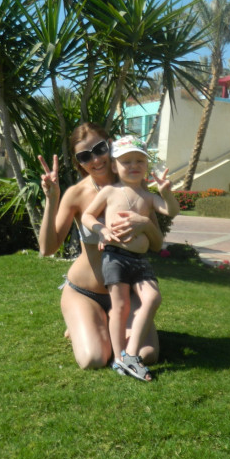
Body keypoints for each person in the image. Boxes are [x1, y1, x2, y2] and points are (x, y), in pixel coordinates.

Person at [37, 123, 164, 374]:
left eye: (99, 149)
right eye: (85, 156)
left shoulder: (135, 185)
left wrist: (145, 223)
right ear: (79, 163)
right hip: (86, 292)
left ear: (110, 145)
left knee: (147, 354)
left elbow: (158, 244)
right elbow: (47, 248)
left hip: (126, 292)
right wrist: (52, 199)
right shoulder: (76, 194)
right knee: (94, 358)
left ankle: (100, 325)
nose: (95, 160)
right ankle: (83, 322)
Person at [81, 135, 178, 381]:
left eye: (139, 161)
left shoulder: (148, 196)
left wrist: (166, 193)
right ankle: (119, 358)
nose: (134, 165)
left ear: (146, 166)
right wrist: (101, 230)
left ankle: (130, 355)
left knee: (153, 298)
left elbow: (171, 210)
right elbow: (87, 216)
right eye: (126, 162)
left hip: (140, 260)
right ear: (114, 167)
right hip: (115, 256)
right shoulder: (110, 191)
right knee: (121, 307)